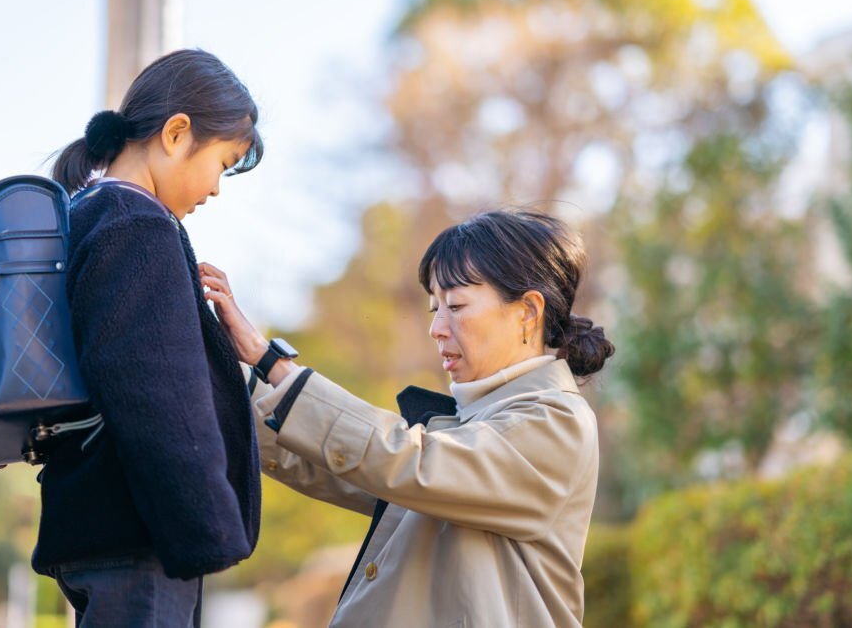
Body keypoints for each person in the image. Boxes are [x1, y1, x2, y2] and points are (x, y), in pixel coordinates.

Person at [202, 209, 615, 627]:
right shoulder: (469, 424)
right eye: (435, 307)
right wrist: (219, 373)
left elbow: (406, 460)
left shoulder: (555, 419)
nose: (436, 328)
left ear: (528, 311)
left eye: (456, 306)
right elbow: (335, 463)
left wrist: (270, 361)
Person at [31, 49, 264, 627]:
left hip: (98, 525)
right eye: (223, 163)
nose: (216, 188)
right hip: (139, 538)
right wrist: (205, 525)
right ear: (178, 132)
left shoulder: (86, 212)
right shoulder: (138, 226)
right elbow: (159, 393)